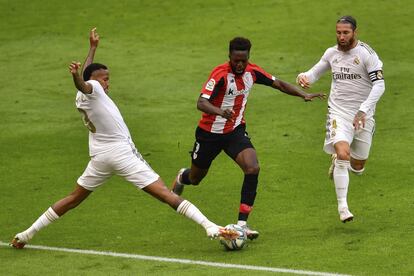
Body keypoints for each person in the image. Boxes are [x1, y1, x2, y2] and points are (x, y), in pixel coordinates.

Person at [10, 28, 236, 249]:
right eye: (106, 79)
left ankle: (26, 234)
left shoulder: (84, 96)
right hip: (120, 153)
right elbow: (86, 82)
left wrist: (92, 49)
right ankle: (209, 226)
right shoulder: (94, 88)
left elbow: (87, 76)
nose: (108, 83)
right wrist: (75, 76)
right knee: (165, 193)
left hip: (99, 157)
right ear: (97, 81)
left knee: (73, 199)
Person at [171, 37, 325, 240]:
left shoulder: (252, 72)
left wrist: (302, 95)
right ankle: (183, 176)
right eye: (236, 60)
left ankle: (242, 224)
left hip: (234, 132)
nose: (240, 64)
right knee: (196, 178)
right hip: (209, 134)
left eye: (243, 60)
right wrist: (219, 111)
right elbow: (201, 102)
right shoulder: (220, 75)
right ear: (229, 57)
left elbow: (277, 83)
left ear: (248, 57)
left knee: (252, 168)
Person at [297, 16, 385, 223]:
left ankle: (340, 161)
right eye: (338, 32)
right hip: (339, 112)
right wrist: (304, 77)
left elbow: (380, 85)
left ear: (355, 32)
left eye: (346, 33)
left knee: (358, 166)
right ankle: (343, 207)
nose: (341, 37)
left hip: (363, 115)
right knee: (343, 152)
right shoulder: (332, 53)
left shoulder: (367, 55)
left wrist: (363, 110)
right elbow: (314, 73)